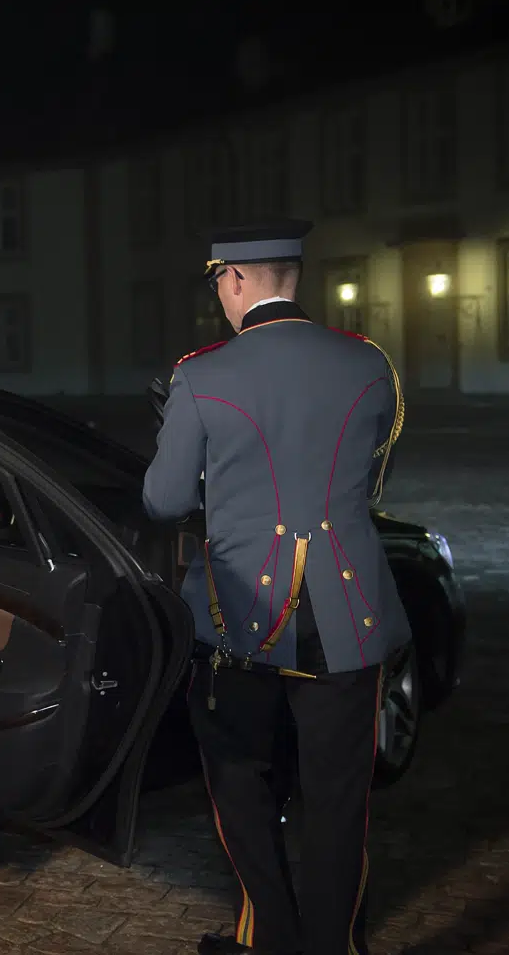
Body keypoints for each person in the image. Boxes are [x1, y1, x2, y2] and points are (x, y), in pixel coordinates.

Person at [143, 220, 409, 955]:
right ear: (292, 277)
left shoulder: (201, 373)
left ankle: (272, 938)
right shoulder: (368, 363)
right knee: (338, 801)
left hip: (242, 617)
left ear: (232, 280)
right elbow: (374, 478)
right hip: (349, 613)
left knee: (240, 785)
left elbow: (163, 501)